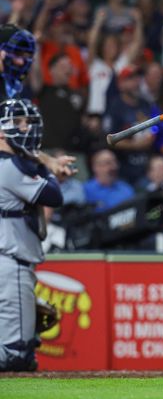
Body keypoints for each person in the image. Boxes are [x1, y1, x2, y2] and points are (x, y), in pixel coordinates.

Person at [0, 99, 73, 371]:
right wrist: (50, 168)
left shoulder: (13, 163)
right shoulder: (9, 166)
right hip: (11, 261)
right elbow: (52, 196)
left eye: (27, 122)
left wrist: (48, 168)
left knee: (24, 353)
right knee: (16, 355)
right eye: (18, 123)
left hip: (9, 259)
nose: (26, 128)